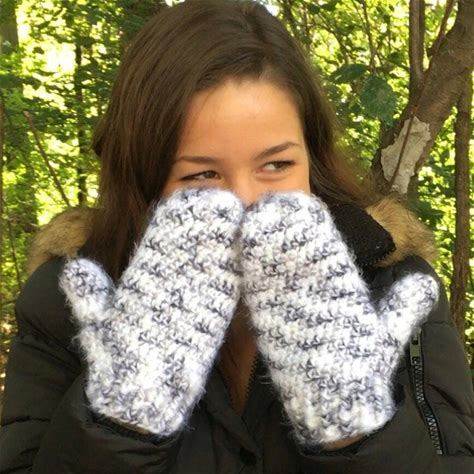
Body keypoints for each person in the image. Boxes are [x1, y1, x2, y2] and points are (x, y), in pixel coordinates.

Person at [1, 0, 472, 472]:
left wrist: (356, 432)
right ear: (144, 180)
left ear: (311, 160)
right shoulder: (62, 302)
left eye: (277, 164)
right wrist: (123, 421)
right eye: (201, 174)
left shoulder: (387, 282)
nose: (247, 201)